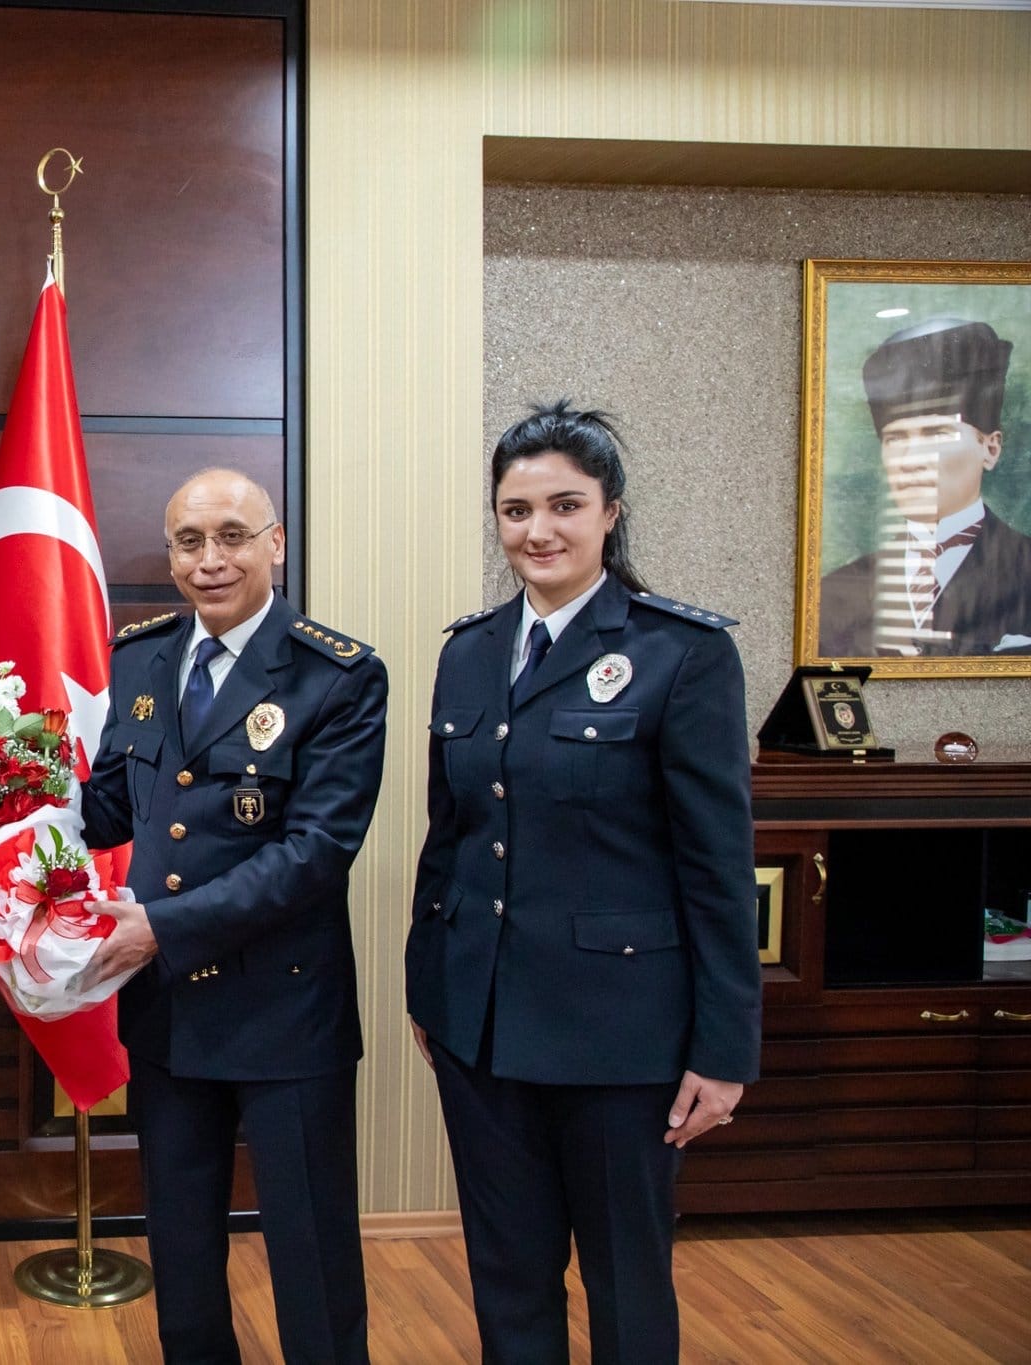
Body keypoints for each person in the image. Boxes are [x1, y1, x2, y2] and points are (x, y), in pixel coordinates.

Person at [407, 401, 761, 1364]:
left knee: (626, 1276)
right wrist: (428, 986)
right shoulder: (468, 651)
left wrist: (724, 1047)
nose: (539, 530)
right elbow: (452, 836)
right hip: (481, 1027)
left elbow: (718, 866)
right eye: (516, 509)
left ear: (610, 512)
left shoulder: (682, 654)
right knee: (507, 1273)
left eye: (565, 504)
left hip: (623, 1035)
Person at [83, 468, 388, 1364]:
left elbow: (314, 855)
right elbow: (110, 807)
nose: (209, 560)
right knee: (181, 1255)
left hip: (285, 1011)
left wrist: (163, 930)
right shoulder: (139, 655)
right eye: (188, 541)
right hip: (170, 1013)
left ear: (276, 543)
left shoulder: (337, 673)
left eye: (232, 536)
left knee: (312, 1262)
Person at [819, 317, 1031, 656]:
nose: (911, 459)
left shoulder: (1024, 568)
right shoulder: (834, 593)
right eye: (896, 438)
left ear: (990, 449)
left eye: (936, 434)